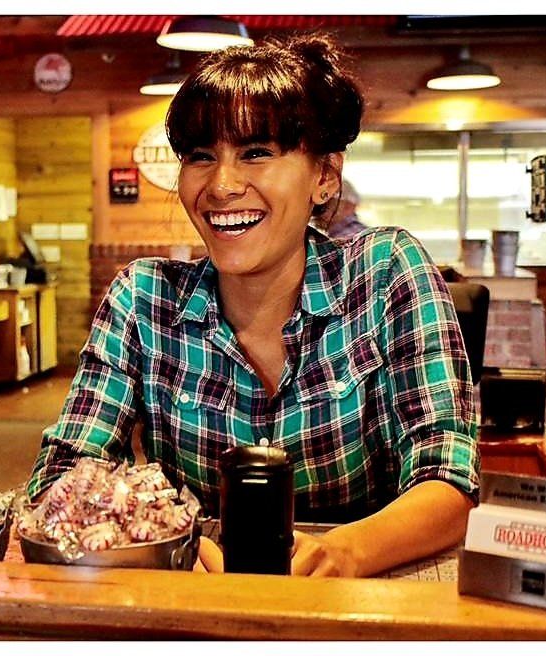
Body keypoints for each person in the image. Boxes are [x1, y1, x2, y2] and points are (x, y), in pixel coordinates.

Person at [27, 34, 479, 578]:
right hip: (195, 600)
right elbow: (62, 477)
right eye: (200, 157)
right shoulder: (143, 299)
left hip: (367, 595)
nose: (221, 185)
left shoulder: (385, 273)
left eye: (256, 153)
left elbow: (448, 479)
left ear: (324, 176)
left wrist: (344, 552)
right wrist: (166, 544)